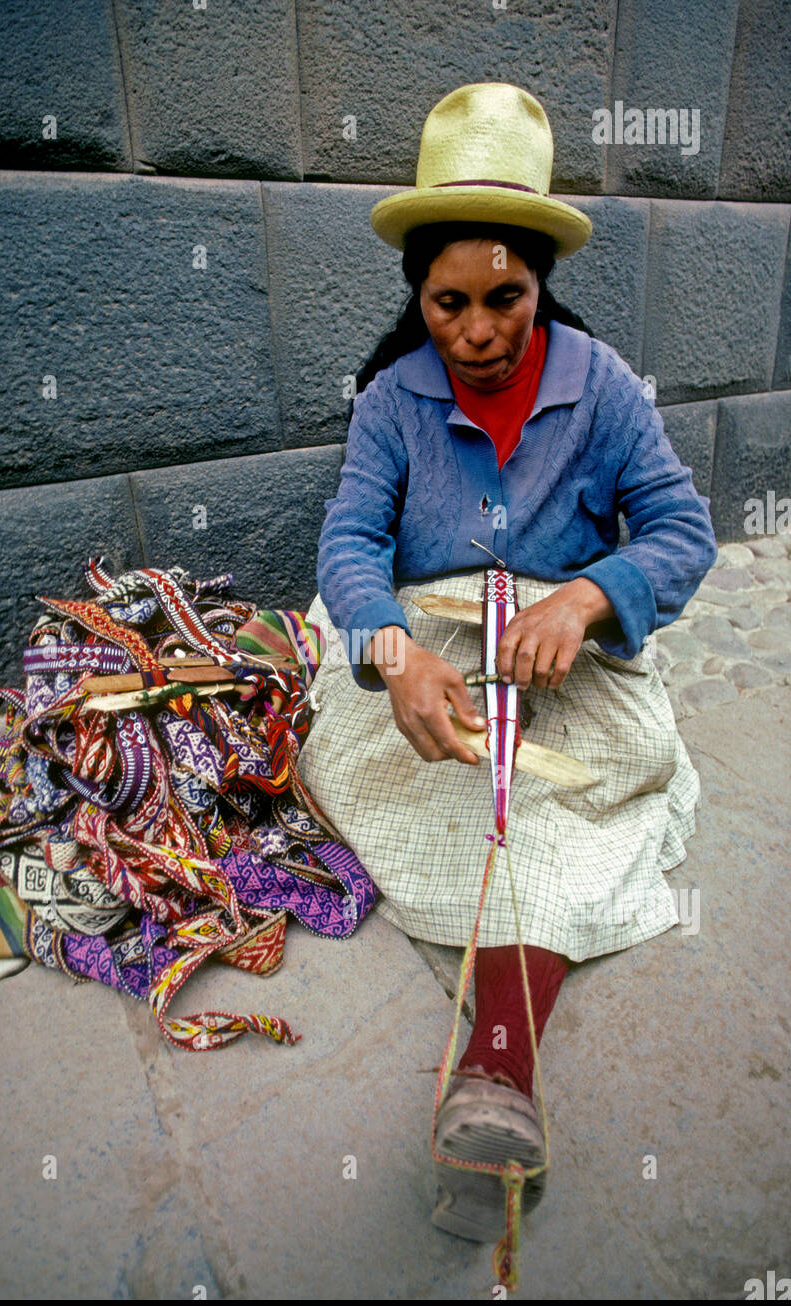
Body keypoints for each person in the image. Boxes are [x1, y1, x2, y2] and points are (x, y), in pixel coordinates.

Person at [296, 83, 718, 1241]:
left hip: (563, 666)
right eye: (448, 303)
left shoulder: (607, 390)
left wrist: (588, 598)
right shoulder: (390, 401)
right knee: (440, 792)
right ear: (416, 295)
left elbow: (682, 534)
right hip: (431, 641)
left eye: (505, 300)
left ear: (541, 286)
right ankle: (499, 1049)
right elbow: (348, 542)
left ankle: (494, 1073)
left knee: (543, 811)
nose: (477, 332)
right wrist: (388, 652)